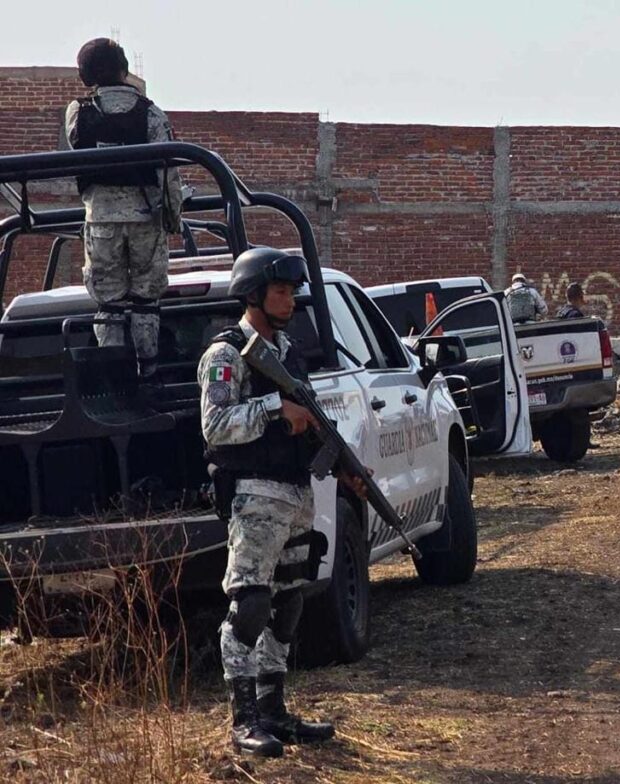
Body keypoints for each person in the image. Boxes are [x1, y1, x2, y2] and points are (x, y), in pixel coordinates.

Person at [199, 247, 367, 757]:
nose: (289, 300)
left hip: (296, 494)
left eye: (293, 292)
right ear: (252, 295)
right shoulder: (226, 354)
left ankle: (274, 710)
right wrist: (276, 408)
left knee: (291, 600)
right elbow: (216, 426)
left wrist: (343, 469)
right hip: (255, 495)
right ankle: (243, 718)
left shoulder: (288, 352)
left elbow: (311, 424)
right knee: (250, 603)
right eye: (279, 291)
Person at [65, 38, 183, 380]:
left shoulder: (77, 113)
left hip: (100, 218)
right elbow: (168, 175)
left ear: (85, 75)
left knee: (108, 303)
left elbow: (77, 148)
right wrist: (173, 218)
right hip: (146, 217)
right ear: (125, 69)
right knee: (146, 300)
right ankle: (148, 372)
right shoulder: (152, 114)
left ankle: (113, 377)